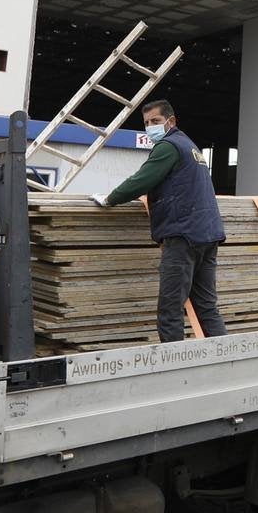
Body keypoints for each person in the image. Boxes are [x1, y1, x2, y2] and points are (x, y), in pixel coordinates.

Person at [94, 99, 227, 342]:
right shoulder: (190, 146)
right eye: (146, 123)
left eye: (155, 121)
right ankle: (226, 362)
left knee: (170, 309)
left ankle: (174, 370)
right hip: (208, 235)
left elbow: (142, 180)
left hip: (184, 236)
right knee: (206, 307)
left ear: (171, 121)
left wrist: (110, 198)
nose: (150, 127)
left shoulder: (168, 146)